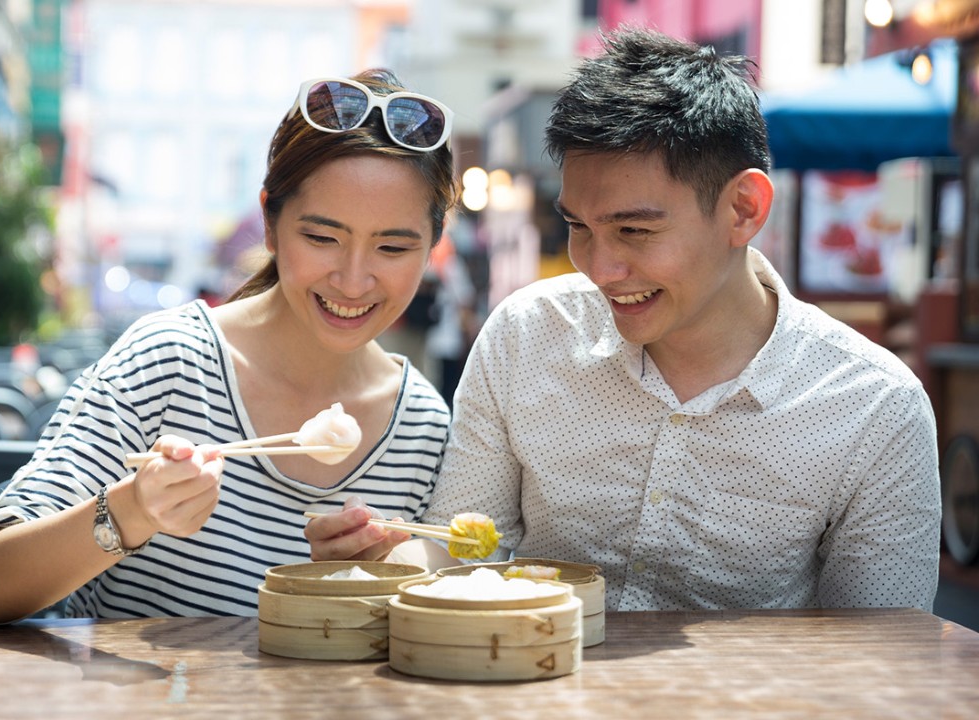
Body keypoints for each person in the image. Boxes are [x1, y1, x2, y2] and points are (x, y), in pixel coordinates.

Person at [307, 28, 942, 613]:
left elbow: (879, 646)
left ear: (744, 209)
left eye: (634, 230)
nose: (600, 267)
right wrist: (385, 563)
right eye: (579, 226)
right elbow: (462, 547)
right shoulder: (525, 337)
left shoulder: (874, 409)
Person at [0, 69, 457, 624]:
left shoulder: (423, 425)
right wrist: (132, 510)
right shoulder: (168, 361)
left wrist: (357, 585)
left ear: (433, 248)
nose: (353, 279)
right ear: (270, 224)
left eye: (392, 247)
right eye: (321, 238)